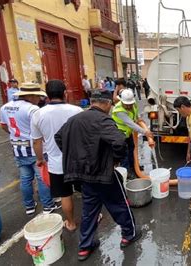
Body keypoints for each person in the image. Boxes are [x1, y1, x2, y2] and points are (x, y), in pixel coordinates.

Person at [55, 90, 141, 261]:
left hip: (83, 175)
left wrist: (76, 156)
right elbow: (119, 142)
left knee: (89, 210)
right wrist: (115, 160)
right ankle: (128, 235)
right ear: (108, 104)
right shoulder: (103, 119)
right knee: (119, 204)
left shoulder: (75, 119)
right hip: (104, 173)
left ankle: (84, 247)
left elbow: (59, 137)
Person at [0, 83, 59, 215]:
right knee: (41, 177)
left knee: (25, 178)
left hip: (17, 148)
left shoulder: (5, 107)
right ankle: (48, 205)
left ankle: (29, 206)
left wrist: (15, 136)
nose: (39, 100)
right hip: (34, 148)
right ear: (31, 96)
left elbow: (4, 126)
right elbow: (40, 130)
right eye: (37, 96)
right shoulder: (32, 109)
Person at [31, 80, 83, 231]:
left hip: (56, 163)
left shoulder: (38, 114)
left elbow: (36, 142)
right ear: (65, 93)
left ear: (47, 96)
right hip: (78, 161)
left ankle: (71, 223)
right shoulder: (77, 110)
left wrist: (40, 159)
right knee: (86, 191)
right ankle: (93, 217)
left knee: (65, 195)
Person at [112, 89, 154, 173]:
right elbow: (131, 124)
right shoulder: (119, 110)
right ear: (121, 101)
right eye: (126, 104)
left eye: (129, 104)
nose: (128, 106)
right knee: (124, 154)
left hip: (128, 133)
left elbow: (135, 114)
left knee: (131, 149)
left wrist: (138, 119)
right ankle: (127, 172)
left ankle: (134, 167)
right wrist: (145, 132)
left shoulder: (133, 104)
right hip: (120, 135)